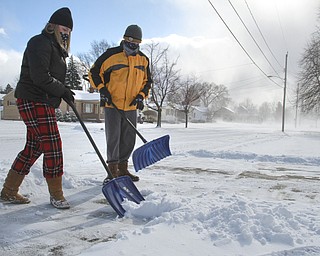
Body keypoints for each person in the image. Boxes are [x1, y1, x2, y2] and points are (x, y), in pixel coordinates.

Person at [0, 7, 75, 209]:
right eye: (63, 26)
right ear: (51, 26)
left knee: (34, 147)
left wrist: (63, 90)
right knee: (53, 145)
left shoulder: (57, 50)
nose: (66, 31)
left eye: (69, 28)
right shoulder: (39, 42)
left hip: (42, 100)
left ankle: (8, 191)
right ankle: (56, 195)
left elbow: (51, 77)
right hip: (33, 99)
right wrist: (62, 91)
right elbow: (40, 77)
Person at [88, 24, 152, 182]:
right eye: (130, 43)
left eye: (136, 44)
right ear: (124, 39)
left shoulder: (143, 59)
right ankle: (112, 172)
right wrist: (102, 89)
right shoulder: (111, 55)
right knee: (113, 138)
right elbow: (94, 72)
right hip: (112, 104)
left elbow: (147, 81)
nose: (133, 46)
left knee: (129, 138)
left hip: (131, 106)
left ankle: (123, 170)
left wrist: (141, 96)